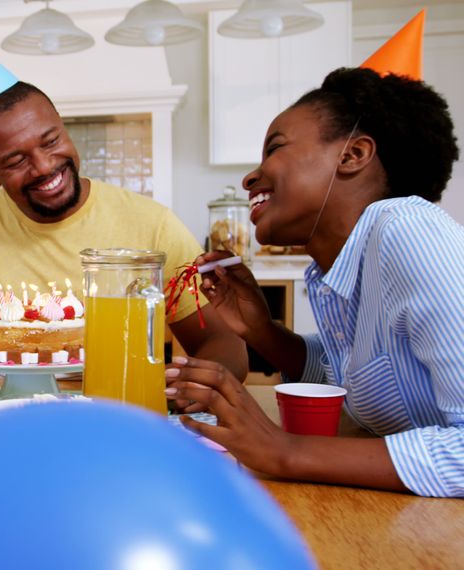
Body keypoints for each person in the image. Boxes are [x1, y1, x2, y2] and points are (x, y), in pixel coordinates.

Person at [0, 26, 247, 382]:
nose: (44, 167)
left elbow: (220, 340)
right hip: (3, 415)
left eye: (51, 140)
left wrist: (192, 381)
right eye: (16, 160)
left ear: (64, 128)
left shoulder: (152, 225)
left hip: (118, 409)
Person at [166, 57, 463, 497]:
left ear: (352, 155)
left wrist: (283, 451)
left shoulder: (406, 229)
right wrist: (262, 332)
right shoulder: (335, 270)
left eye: (275, 148)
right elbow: (350, 379)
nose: (250, 177)